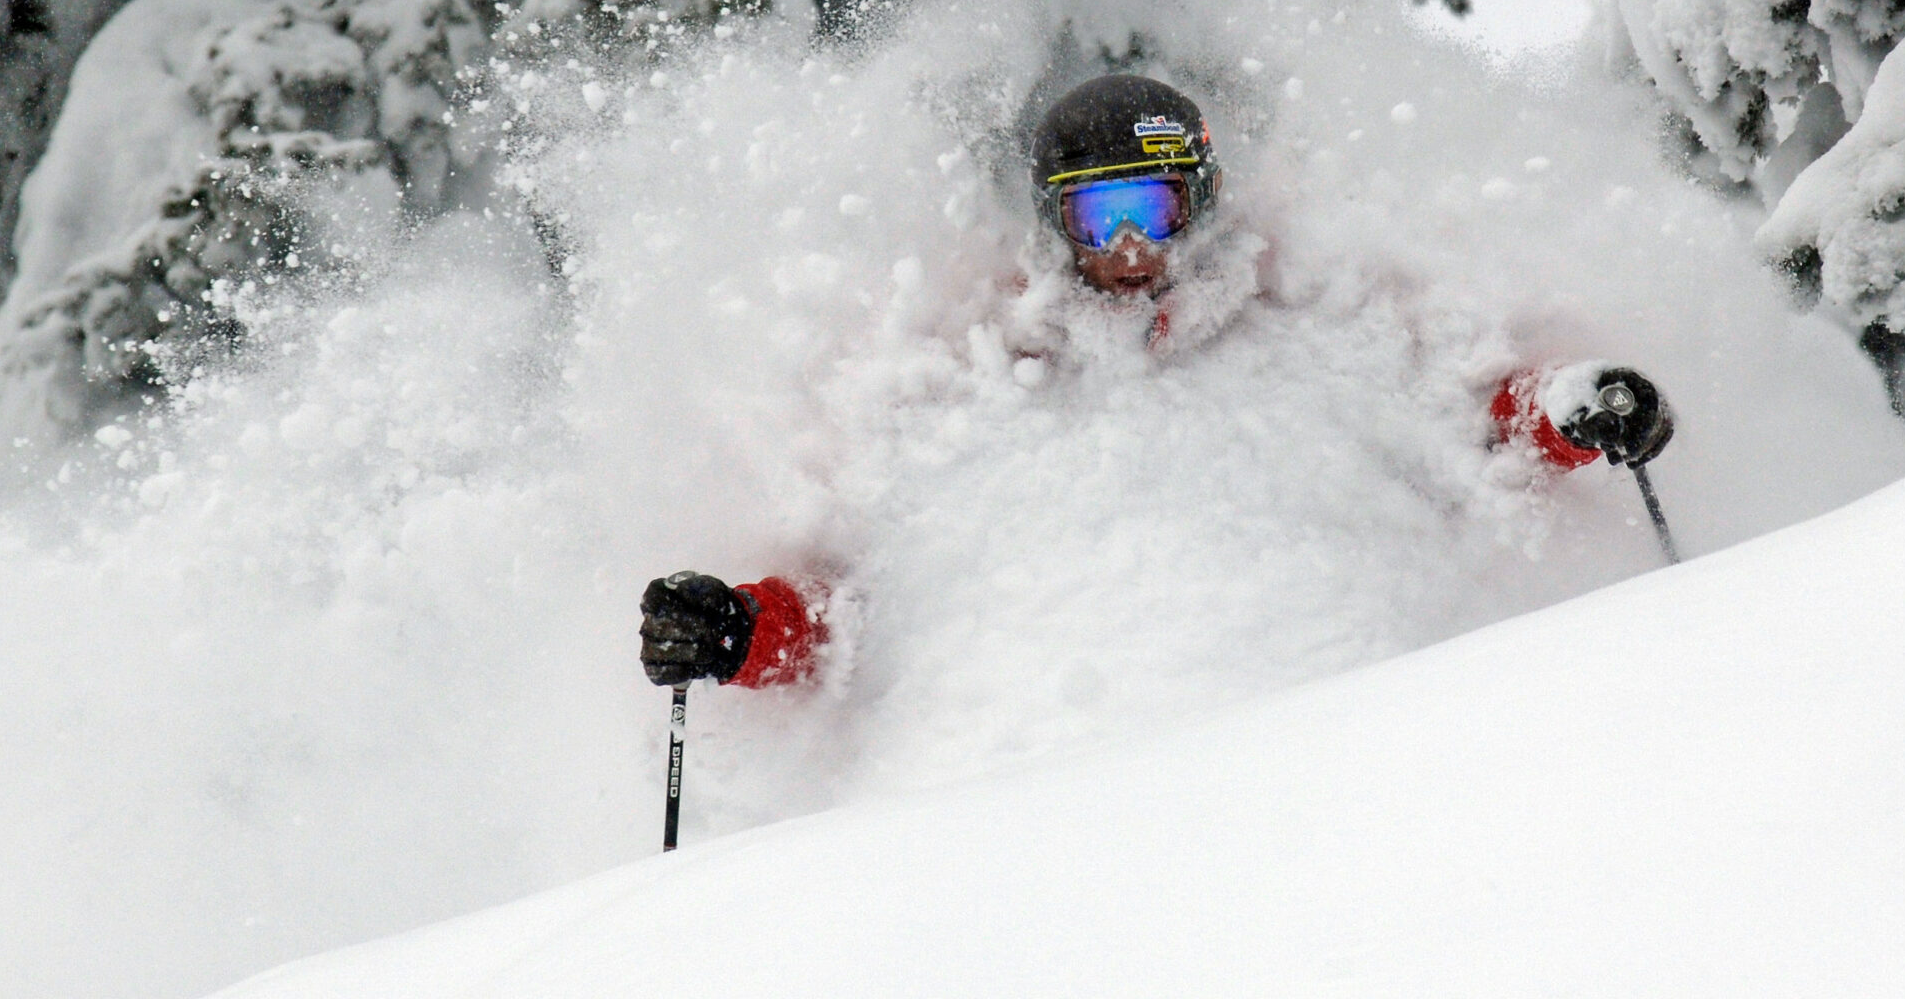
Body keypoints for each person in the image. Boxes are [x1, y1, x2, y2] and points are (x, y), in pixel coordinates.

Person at [637, 73, 1676, 694]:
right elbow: (854, 605)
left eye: (1154, 209)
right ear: (1054, 226)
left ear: (1201, 206)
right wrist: (741, 631)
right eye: (1099, 218)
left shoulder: (1315, 326)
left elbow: (1482, 419)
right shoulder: (979, 381)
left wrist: (1576, 412)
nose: (1131, 247)